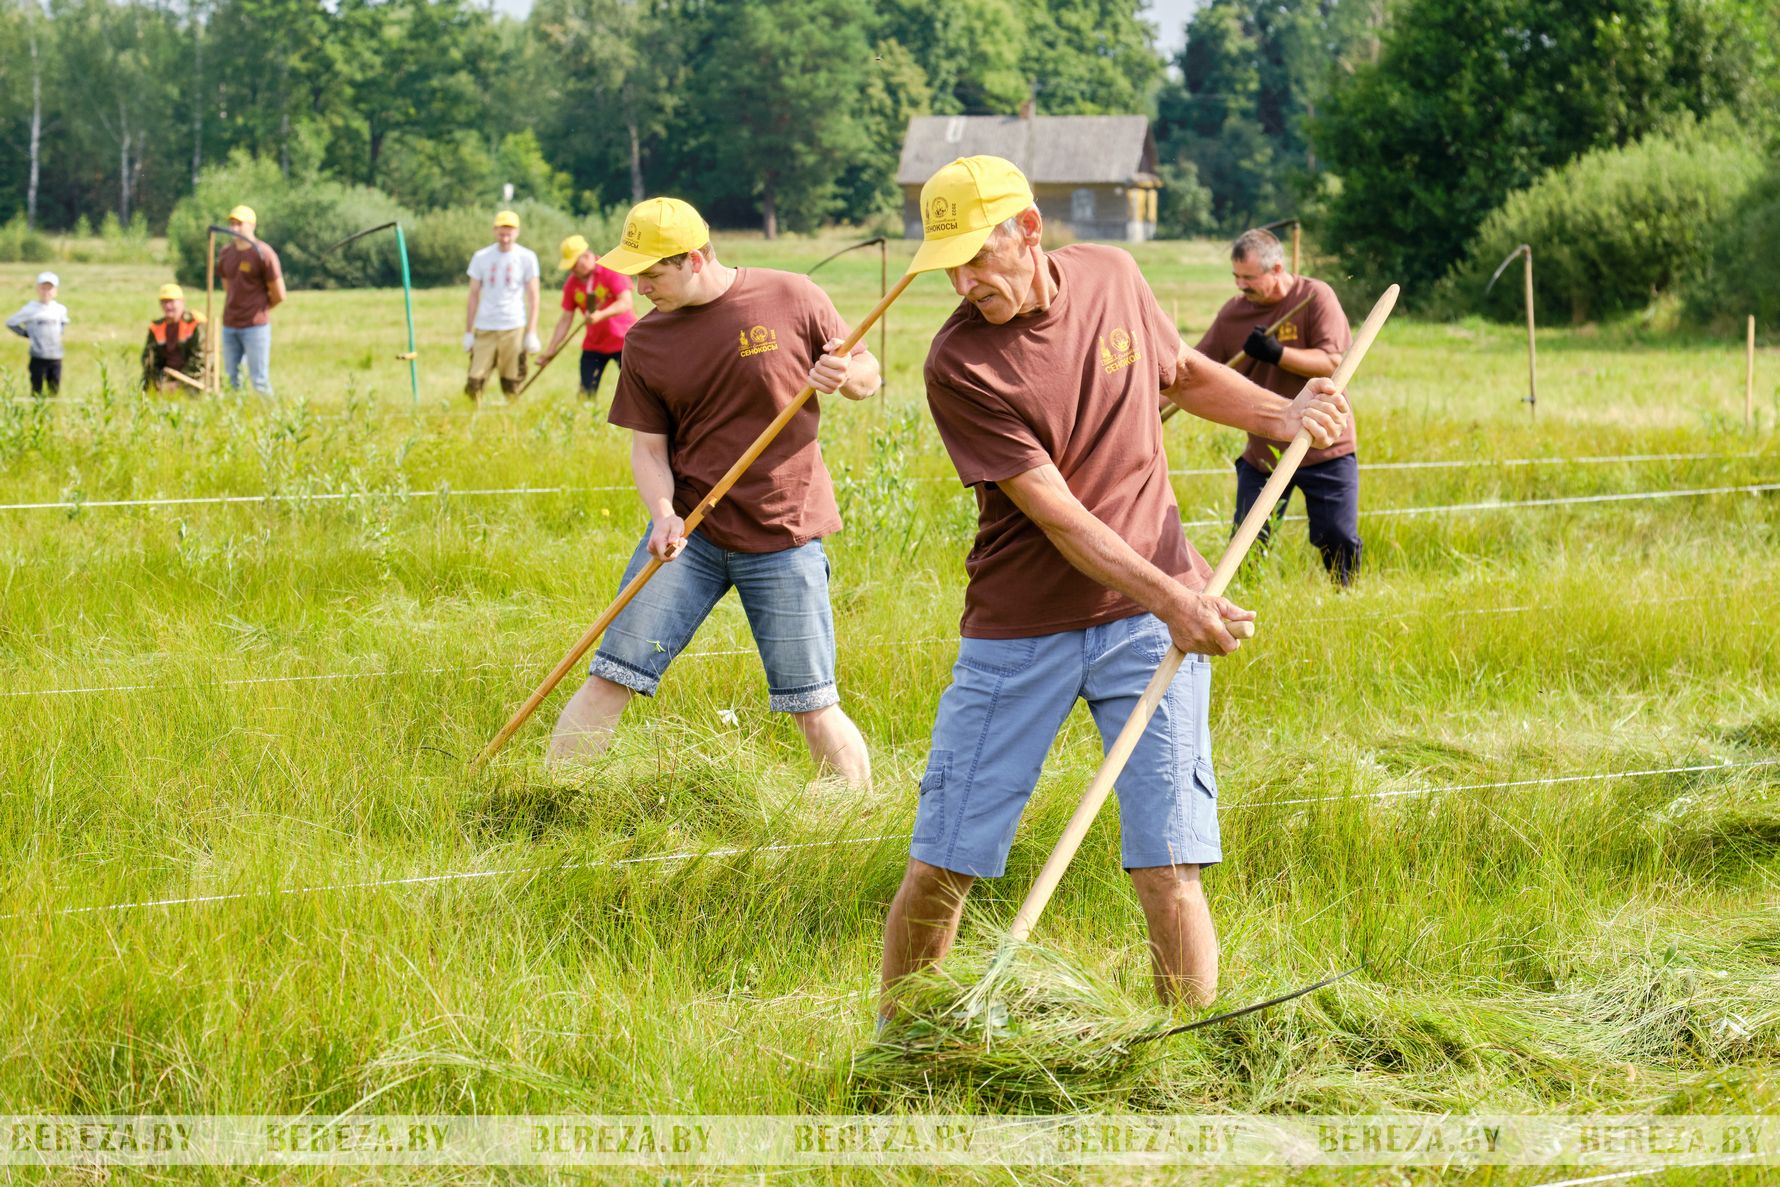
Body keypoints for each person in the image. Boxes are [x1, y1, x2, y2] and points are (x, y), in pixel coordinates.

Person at [877, 157, 1349, 1016]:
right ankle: (902, 1044)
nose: (962, 280)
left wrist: (1278, 415)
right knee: (945, 858)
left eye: (976, 256)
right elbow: (1057, 515)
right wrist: (1176, 598)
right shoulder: (959, 364)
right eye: (946, 264)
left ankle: (1183, 1053)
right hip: (1020, 631)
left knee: (1170, 863)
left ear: (1028, 229)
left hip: (1146, 623)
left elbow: (1180, 370)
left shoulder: (1114, 274)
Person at [547, 197, 882, 788]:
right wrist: (661, 513)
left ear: (696, 258)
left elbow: (865, 376)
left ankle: (857, 811)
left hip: (784, 531)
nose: (641, 285)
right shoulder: (645, 343)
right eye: (635, 272)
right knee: (612, 672)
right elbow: (649, 449)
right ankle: (550, 799)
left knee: (811, 700)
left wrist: (844, 375)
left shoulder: (792, 296)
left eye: (653, 272)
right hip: (691, 536)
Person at [1195, 228, 1359, 584]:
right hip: (1265, 449)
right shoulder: (1233, 315)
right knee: (1248, 541)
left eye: (1249, 277)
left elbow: (1335, 361)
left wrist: (1277, 354)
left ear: (1277, 269)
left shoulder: (1314, 297)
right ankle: (1245, 604)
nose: (1241, 285)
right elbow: (1193, 368)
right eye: (1236, 276)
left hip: (1324, 443)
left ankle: (1347, 597)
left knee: (1337, 537)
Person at [537, 234, 637, 407]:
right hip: (594, 344)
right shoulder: (572, 283)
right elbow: (565, 319)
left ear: (586, 256)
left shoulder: (610, 270)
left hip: (623, 341)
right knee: (586, 393)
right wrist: (551, 349)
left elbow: (626, 302)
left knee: (637, 389)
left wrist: (600, 315)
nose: (572, 270)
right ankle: (586, 421)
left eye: (574, 264)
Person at [463, 210, 541, 400]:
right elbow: (473, 294)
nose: (505, 237)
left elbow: (533, 296)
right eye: (501, 232)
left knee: (512, 378)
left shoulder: (527, 257)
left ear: (517, 232)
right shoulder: (481, 257)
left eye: (509, 232)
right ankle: (472, 415)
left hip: (513, 325)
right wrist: (468, 331)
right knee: (475, 379)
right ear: (494, 231)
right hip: (485, 326)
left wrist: (531, 332)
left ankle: (512, 416)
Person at [217, 205, 284, 395]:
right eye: (232, 224)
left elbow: (279, 293)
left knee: (259, 381)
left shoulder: (263, 253)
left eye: (239, 224)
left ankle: (269, 417)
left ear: (252, 225)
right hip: (230, 324)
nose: (234, 228)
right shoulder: (225, 253)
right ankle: (235, 417)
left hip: (255, 327)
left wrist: (259, 310)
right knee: (232, 380)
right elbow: (227, 286)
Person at [6, 271, 68, 396]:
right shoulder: (30, 308)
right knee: (36, 390)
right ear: (38, 289)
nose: (46, 292)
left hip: (56, 356)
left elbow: (64, 323)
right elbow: (11, 322)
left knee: (54, 390)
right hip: (38, 356)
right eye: (43, 288)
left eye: (49, 288)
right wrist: (26, 333)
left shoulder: (60, 309)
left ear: (55, 291)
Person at [140, 283, 207, 394]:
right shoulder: (156, 327)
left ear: (182, 302)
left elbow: (200, 359)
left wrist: (179, 384)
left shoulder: (195, 324)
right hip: (165, 379)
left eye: (171, 301)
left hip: (191, 379)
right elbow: (149, 359)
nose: (168, 306)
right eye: (164, 302)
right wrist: (159, 382)